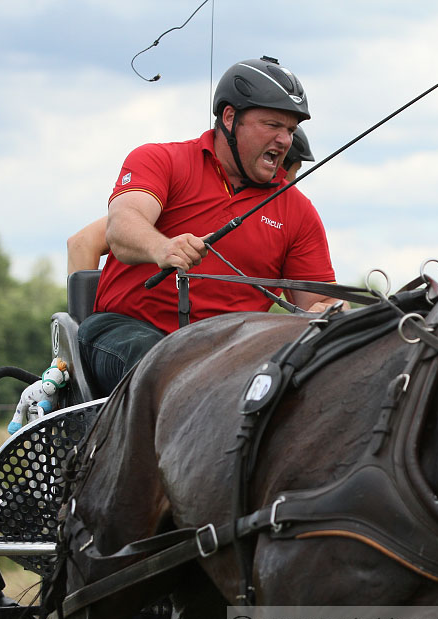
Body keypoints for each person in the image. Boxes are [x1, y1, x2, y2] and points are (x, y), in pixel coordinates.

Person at [77, 56, 341, 398]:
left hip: (233, 354)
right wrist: (162, 247)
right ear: (230, 118)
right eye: (272, 125)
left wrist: (328, 311)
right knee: (166, 365)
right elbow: (122, 227)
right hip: (128, 332)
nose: (284, 140)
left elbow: (319, 301)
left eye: (290, 130)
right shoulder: (161, 160)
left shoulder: (298, 211)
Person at [66, 125, 316, 273]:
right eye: (292, 174)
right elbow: (82, 242)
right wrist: (82, 327)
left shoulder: (289, 213)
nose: (290, 184)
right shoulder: (172, 196)